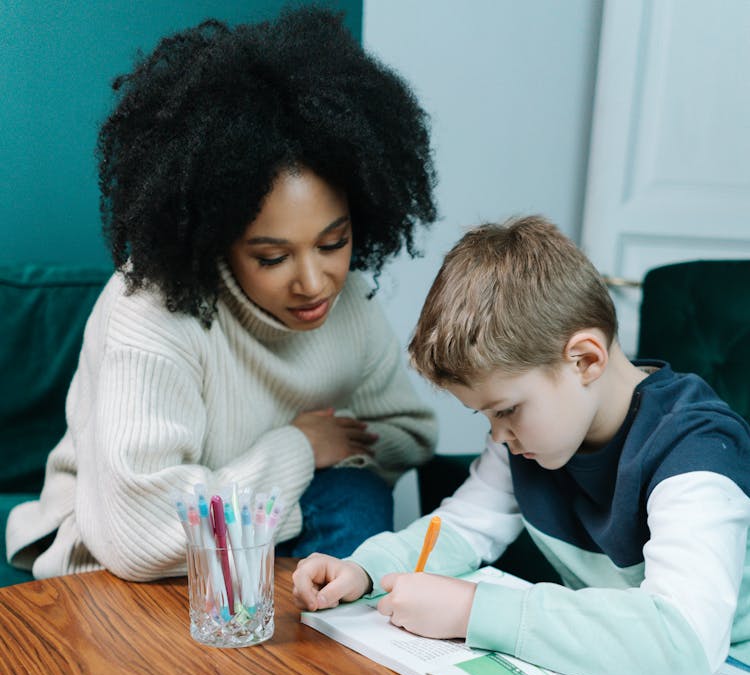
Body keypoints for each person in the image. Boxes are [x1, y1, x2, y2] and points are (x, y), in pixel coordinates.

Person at [6, 8, 437, 582]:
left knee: (354, 493)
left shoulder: (349, 300)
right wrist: (298, 449)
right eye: (272, 257)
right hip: (118, 566)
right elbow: (140, 536)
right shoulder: (154, 310)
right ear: (218, 238)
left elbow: (410, 433)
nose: (314, 283)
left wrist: (336, 448)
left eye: (333, 243)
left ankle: (322, 657)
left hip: (258, 538)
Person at [293, 214, 750, 675]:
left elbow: (683, 638)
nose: (497, 437)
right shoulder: (531, 442)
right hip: (616, 672)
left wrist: (473, 610)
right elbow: (462, 528)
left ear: (585, 360)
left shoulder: (697, 449)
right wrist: (365, 568)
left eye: (507, 410)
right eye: (486, 416)